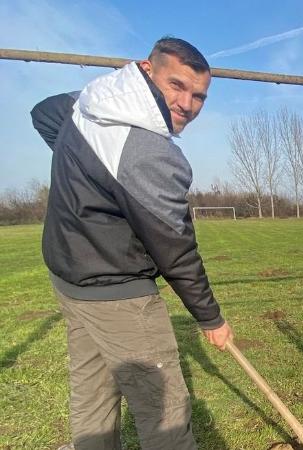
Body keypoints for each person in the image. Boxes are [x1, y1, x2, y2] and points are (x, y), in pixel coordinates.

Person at [30, 37, 233, 450]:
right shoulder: (151, 153)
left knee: (94, 399)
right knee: (166, 415)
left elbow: (44, 114)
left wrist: (95, 181)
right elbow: (176, 252)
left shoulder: (89, 102)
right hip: (117, 294)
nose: (187, 104)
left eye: (199, 96)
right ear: (145, 69)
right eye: (176, 85)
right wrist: (211, 319)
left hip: (69, 280)